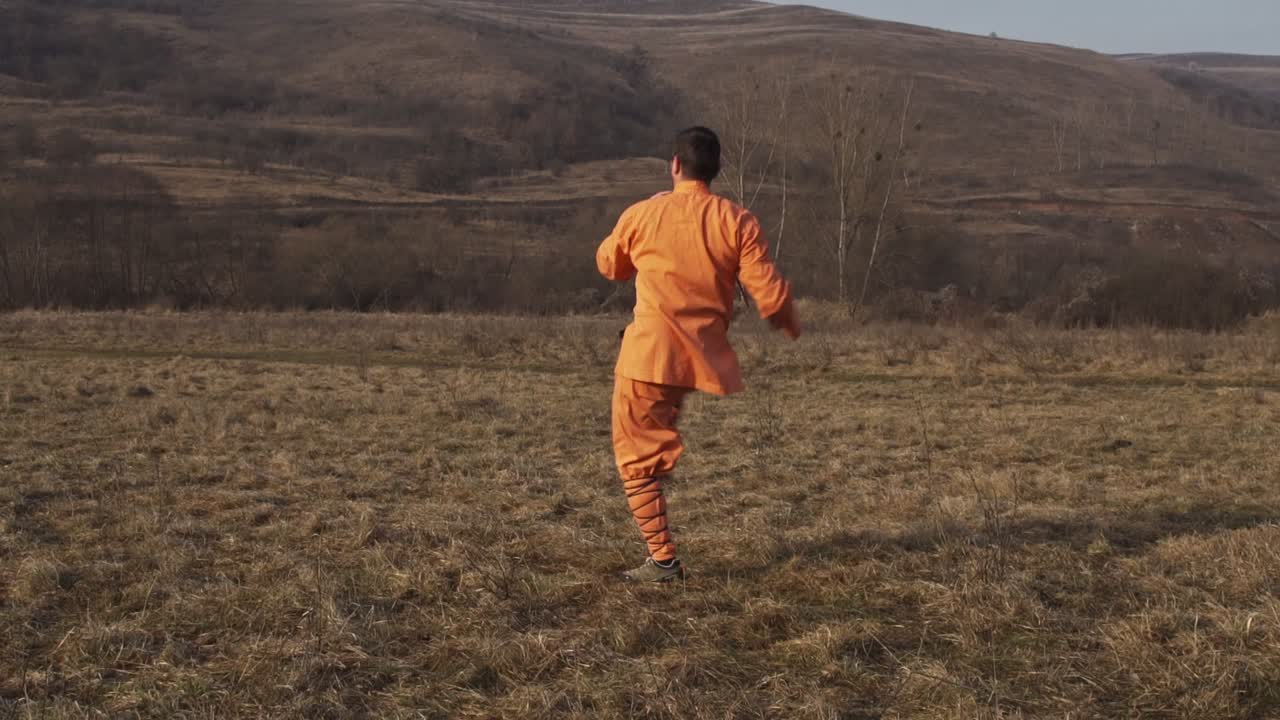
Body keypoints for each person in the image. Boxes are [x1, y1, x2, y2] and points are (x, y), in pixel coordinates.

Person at [596, 126, 801, 583]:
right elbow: (768, 294)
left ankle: (663, 561)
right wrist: (789, 323)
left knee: (635, 459)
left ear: (674, 165)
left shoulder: (644, 214)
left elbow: (610, 265)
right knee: (652, 448)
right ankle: (658, 492)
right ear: (715, 170)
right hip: (701, 360)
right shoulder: (738, 220)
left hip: (649, 359)